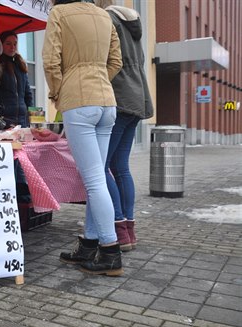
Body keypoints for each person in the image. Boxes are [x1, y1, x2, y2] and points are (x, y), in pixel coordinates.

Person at [42, 0, 123, 275]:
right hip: (107, 102)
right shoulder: (103, 15)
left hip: (79, 102)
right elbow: (116, 62)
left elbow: (50, 60)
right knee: (96, 178)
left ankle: (110, 251)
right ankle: (89, 244)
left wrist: (58, 92)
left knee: (94, 181)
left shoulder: (59, 13)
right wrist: (97, 76)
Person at [96, 0, 154, 251]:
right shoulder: (132, 23)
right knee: (121, 167)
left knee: (101, 168)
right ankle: (129, 230)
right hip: (137, 99)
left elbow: (108, 61)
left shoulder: (107, 20)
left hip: (118, 99)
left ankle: (118, 227)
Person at [0, 31, 34, 128]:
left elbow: (28, 95)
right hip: (4, 120)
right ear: (1, 45)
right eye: (8, 44)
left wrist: (32, 116)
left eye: (15, 44)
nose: (12, 47)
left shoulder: (21, 65)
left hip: (22, 120)